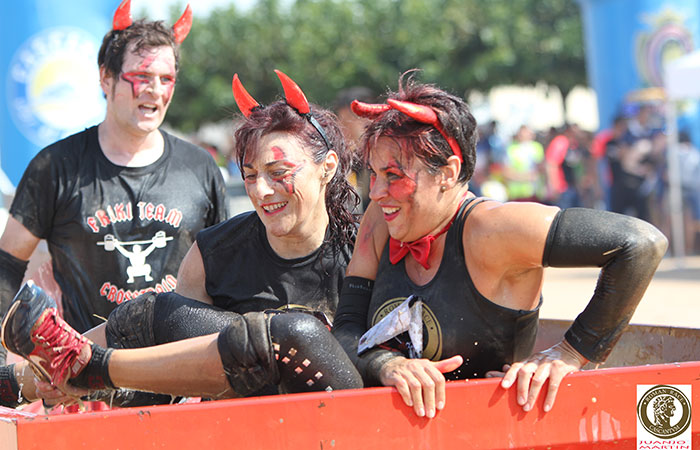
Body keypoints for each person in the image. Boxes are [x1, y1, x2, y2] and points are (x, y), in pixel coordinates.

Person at [0, 70, 363, 407]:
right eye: (250, 175)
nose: (262, 190)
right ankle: (40, 374)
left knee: (287, 332)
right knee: (155, 316)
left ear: (327, 168)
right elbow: (176, 362)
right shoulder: (214, 253)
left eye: (278, 172)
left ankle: (83, 366)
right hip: (243, 421)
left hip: (350, 417)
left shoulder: (365, 247)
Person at [329, 71, 667, 419]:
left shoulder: (493, 229)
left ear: (447, 173)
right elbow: (346, 331)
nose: (376, 192)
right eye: (374, 174)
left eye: (394, 176)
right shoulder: (380, 217)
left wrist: (571, 351)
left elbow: (641, 244)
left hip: (494, 426)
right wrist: (386, 363)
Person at [0, 1, 231, 406]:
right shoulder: (57, 166)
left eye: (166, 79)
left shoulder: (200, 167)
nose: (155, 92)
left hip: (177, 387)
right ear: (105, 78)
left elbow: (225, 274)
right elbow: (5, 267)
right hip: (80, 384)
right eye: (141, 77)